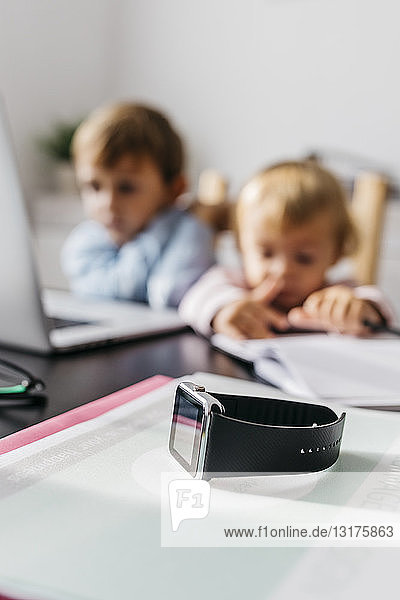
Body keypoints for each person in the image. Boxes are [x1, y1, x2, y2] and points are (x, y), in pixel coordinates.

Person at [179, 160, 393, 338]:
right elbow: (191, 303)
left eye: (304, 258)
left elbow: (379, 307)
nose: (282, 269)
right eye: (266, 253)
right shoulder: (232, 283)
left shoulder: (338, 293)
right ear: (240, 246)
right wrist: (223, 311)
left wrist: (359, 309)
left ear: (336, 253)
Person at [61, 102, 215, 309]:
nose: (108, 204)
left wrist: (200, 222)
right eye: (94, 186)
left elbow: (171, 292)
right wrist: (160, 232)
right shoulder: (84, 243)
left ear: (174, 190)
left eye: (126, 188)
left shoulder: (187, 229)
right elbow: (119, 292)